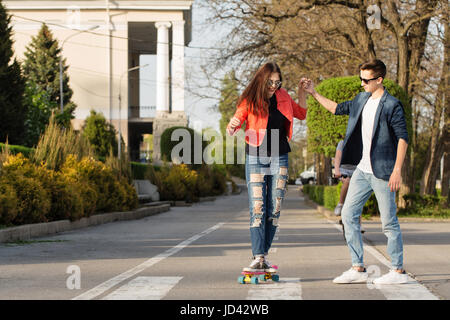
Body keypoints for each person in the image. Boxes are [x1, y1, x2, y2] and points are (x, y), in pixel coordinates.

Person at [302, 59, 409, 285]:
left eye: (366, 80)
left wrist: (397, 170)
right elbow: (335, 108)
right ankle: (357, 267)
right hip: (362, 169)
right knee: (348, 215)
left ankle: (398, 271)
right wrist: (313, 92)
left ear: (379, 80)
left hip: (383, 172)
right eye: (361, 78)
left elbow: (402, 138)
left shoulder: (392, 105)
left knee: (388, 222)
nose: (362, 84)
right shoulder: (361, 99)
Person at [226, 62, 307, 272]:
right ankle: (259, 256)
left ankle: (262, 257)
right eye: (270, 82)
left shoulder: (284, 97)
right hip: (256, 155)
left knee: (275, 208)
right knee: (257, 208)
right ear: (262, 80)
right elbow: (238, 116)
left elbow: (302, 113)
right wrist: (233, 124)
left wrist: (300, 92)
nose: (274, 86)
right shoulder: (251, 98)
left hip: (279, 155)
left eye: (277, 82)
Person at [334, 139, 365, 234]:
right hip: (344, 170)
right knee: (347, 182)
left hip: (357, 170)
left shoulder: (362, 141)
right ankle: (340, 204)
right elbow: (338, 157)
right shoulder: (342, 143)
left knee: (358, 198)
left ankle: (359, 224)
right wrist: (337, 170)